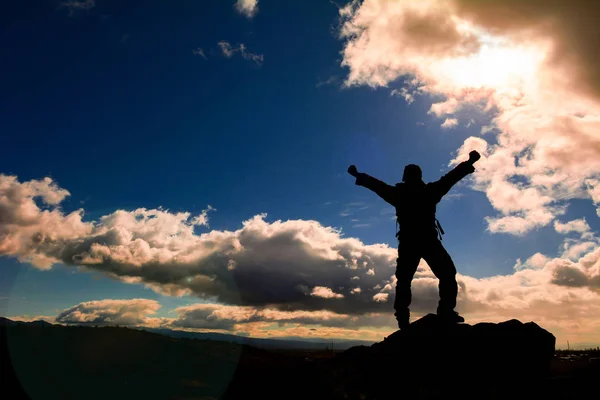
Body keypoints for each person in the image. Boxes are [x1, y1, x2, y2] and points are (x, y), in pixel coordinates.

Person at [347, 150, 481, 329]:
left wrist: (358, 175)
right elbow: (450, 178)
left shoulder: (401, 194)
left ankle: (407, 317)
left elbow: (377, 185)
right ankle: (441, 312)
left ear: (405, 177)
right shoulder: (428, 191)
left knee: (412, 279)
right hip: (426, 241)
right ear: (419, 177)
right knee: (440, 274)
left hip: (413, 243)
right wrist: (469, 162)